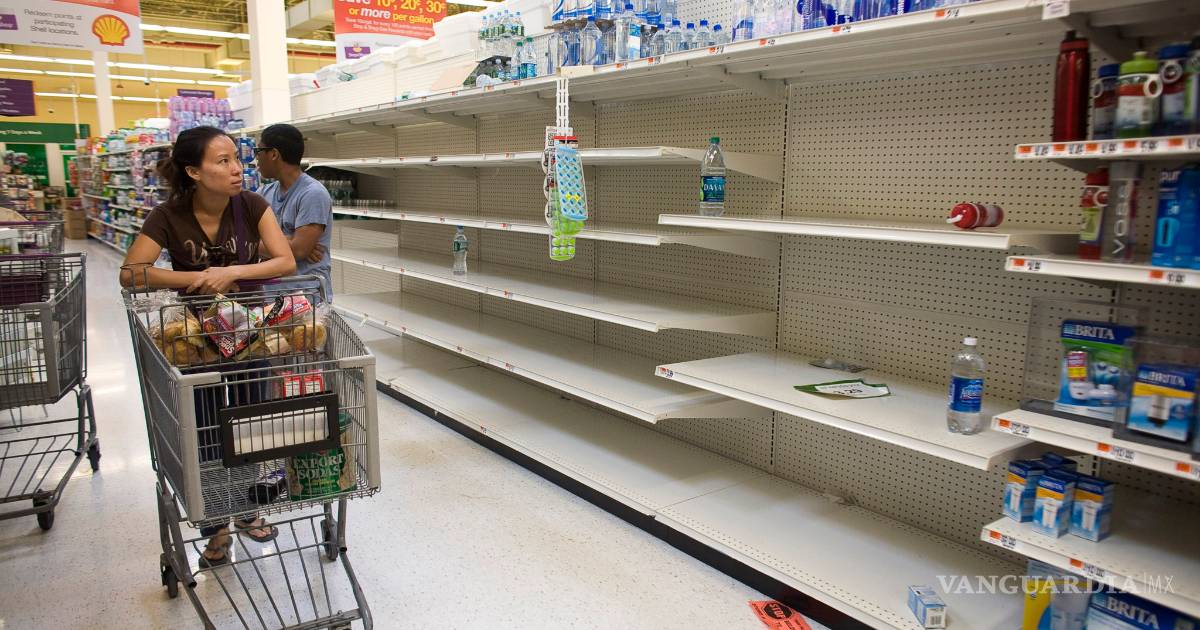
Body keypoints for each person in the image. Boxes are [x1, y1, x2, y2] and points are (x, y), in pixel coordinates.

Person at [121, 125, 297, 568]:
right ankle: (217, 522)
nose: (237, 168)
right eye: (223, 161)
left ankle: (248, 508)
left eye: (237, 158)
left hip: (251, 336)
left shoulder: (252, 205)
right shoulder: (168, 216)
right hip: (195, 341)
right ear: (193, 171)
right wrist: (197, 278)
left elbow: (285, 260)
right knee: (204, 431)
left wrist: (232, 271)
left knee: (249, 423)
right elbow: (132, 272)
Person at [254, 123, 332, 296]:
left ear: (273, 154)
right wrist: (289, 242)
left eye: (258, 151)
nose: (256, 158)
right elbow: (244, 235)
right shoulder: (263, 193)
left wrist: (255, 242)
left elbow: (299, 250)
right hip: (270, 295)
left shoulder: (313, 194)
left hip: (305, 298)